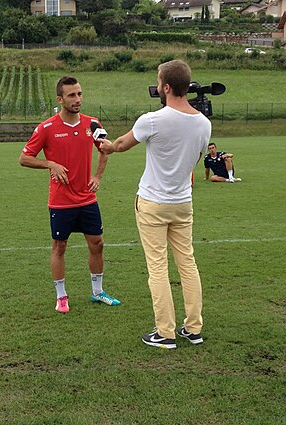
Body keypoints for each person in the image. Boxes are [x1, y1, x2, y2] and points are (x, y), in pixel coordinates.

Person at [100, 60, 211, 349]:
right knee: (188, 264)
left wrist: (106, 145)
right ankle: (193, 328)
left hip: (152, 202)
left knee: (158, 267)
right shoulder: (204, 123)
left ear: (166, 87)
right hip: (182, 203)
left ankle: (165, 332)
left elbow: (121, 145)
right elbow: (195, 161)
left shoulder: (152, 119)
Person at [19, 76, 120, 313]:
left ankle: (98, 292)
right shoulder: (46, 128)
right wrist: (50, 164)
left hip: (87, 199)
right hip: (61, 201)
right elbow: (24, 158)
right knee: (60, 246)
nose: (78, 99)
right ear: (60, 99)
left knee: (97, 244)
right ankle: (61, 296)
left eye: (80, 94)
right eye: (72, 95)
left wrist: (97, 177)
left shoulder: (93, 124)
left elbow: (105, 149)